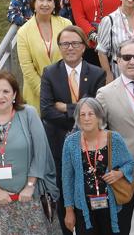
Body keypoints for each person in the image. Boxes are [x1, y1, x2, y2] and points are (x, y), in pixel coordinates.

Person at [0, 70, 60, 235]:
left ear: (14, 94)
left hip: (31, 194)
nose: (0, 96)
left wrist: (30, 186)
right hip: (1, 198)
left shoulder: (28, 114)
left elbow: (41, 152)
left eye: (6, 91)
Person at [40, 27, 108, 184]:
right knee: (63, 190)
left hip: (90, 142)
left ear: (84, 47)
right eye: (65, 44)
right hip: (59, 142)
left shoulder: (97, 74)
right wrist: (82, 112)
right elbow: (46, 111)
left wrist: (66, 107)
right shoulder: (49, 73)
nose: (70, 48)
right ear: (60, 47)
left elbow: (96, 110)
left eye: (75, 43)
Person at [60, 98, 134, 235]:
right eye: (83, 115)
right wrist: (69, 210)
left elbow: (130, 163)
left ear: (99, 116)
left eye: (91, 114)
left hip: (111, 206)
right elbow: (67, 179)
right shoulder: (70, 143)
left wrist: (119, 173)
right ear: (77, 118)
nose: (87, 118)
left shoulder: (114, 138)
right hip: (83, 208)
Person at [20, 0, 76, 107]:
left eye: (49, 0)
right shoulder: (23, 32)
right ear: (34, 3)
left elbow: (74, 56)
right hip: (36, 96)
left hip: (66, 92)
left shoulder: (66, 24)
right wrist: (46, 94)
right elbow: (27, 68)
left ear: (55, 4)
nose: (45, 4)